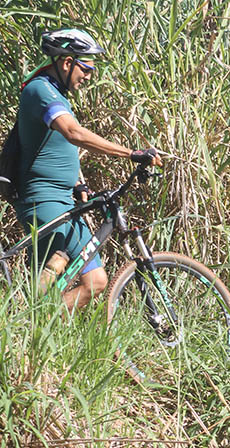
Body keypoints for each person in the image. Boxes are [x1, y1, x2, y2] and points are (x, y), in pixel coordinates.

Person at [13, 28, 161, 312]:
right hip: (44, 200)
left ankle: (37, 321)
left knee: (95, 281)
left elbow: (53, 147)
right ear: (67, 62)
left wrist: (77, 185)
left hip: (64, 199)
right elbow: (73, 133)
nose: (90, 76)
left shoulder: (56, 93)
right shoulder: (39, 89)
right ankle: (27, 320)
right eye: (87, 68)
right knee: (51, 274)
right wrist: (131, 153)